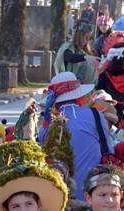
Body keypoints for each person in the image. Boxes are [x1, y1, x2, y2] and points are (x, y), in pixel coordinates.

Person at [38, 72, 111, 200]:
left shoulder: (47, 124)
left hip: (58, 196)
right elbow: (109, 150)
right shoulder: (95, 114)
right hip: (94, 195)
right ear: (80, 95)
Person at [54, 19, 99, 84]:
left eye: (89, 37)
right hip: (71, 90)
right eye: (86, 37)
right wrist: (85, 57)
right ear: (79, 34)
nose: (88, 39)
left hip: (89, 90)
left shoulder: (93, 52)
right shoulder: (68, 48)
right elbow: (70, 57)